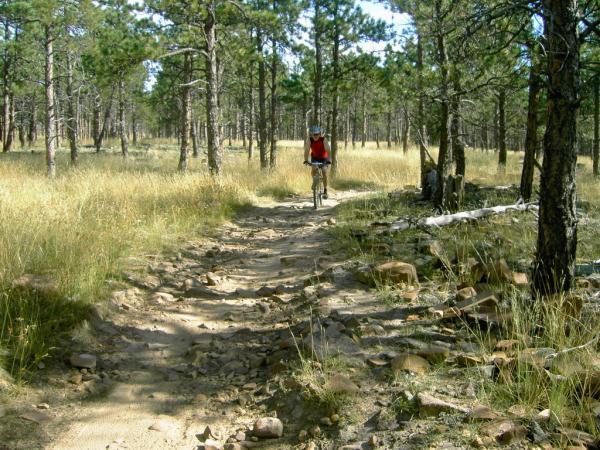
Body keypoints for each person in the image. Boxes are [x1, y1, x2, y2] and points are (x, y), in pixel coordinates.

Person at [303, 125, 331, 199]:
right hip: (315, 157)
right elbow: (306, 150)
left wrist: (329, 160)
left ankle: (325, 190)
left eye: (317, 134)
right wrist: (306, 160)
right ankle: (315, 182)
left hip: (324, 158)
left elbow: (328, 150)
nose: (315, 136)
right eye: (313, 134)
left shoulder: (323, 140)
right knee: (313, 169)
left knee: (324, 171)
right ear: (311, 134)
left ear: (319, 134)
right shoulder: (310, 140)